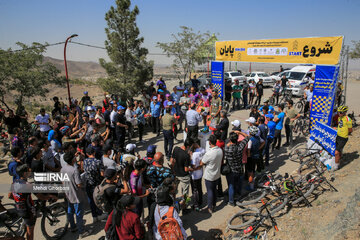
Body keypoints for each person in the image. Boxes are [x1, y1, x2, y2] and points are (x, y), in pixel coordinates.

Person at [12, 164, 57, 240]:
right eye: (28, 169)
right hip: (28, 210)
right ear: (24, 173)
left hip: (18, 207)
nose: (30, 170)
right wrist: (50, 197)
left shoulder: (14, 183)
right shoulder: (28, 185)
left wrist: (19, 199)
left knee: (27, 227)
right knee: (30, 230)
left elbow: (10, 195)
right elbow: (41, 196)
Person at [61, 151, 90, 237]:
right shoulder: (74, 170)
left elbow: (63, 182)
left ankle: (73, 227)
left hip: (68, 194)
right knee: (79, 214)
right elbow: (79, 184)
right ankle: (81, 231)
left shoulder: (62, 169)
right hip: (77, 195)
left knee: (70, 211)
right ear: (72, 160)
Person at [198, 135, 223, 213]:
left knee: (210, 191)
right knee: (214, 190)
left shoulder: (209, 153)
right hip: (217, 174)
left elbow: (201, 163)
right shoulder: (220, 150)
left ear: (209, 142)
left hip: (209, 175)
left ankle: (210, 207)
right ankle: (214, 205)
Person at [225, 131, 249, 206]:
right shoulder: (240, 147)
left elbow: (226, 145)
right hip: (239, 168)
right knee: (239, 183)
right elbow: (248, 137)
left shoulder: (227, 148)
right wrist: (240, 132)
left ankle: (231, 201)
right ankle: (238, 195)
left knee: (231, 186)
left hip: (231, 170)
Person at [83, 146, 105, 223]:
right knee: (97, 199)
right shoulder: (98, 162)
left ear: (87, 154)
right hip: (96, 184)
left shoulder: (85, 161)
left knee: (91, 201)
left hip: (88, 184)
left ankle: (94, 216)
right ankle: (99, 214)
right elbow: (102, 174)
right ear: (94, 152)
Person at [170, 138, 194, 210]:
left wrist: (173, 169)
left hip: (176, 174)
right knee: (185, 193)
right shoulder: (186, 155)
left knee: (174, 190)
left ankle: (173, 202)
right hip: (184, 176)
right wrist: (192, 168)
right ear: (188, 146)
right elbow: (186, 169)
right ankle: (184, 207)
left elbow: (172, 160)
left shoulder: (176, 149)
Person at [246, 126, 265, 191]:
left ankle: (251, 186)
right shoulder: (258, 137)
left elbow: (248, 149)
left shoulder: (250, 140)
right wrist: (259, 148)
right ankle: (252, 182)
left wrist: (248, 156)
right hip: (257, 156)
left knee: (250, 171)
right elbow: (263, 142)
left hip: (251, 157)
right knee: (253, 170)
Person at [335, 106, 352, 170]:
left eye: (341, 112)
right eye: (338, 112)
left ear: (345, 112)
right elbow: (340, 125)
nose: (339, 113)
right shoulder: (339, 118)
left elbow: (350, 130)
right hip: (338, 136)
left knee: (336, 152)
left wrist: (345, 133)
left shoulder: (348, 119)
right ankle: (340, 158)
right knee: (339, 150)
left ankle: (336, 166)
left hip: (343, 138)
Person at [190, 139, 205, 211]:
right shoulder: (203, 150)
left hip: (195, 175)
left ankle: (196, 205)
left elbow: (193, 166)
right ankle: (201, 201)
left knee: (195, 190)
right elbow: (202, 163)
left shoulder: (195, 154)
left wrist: (190, 157)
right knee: (199, 187)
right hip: (200, 173)